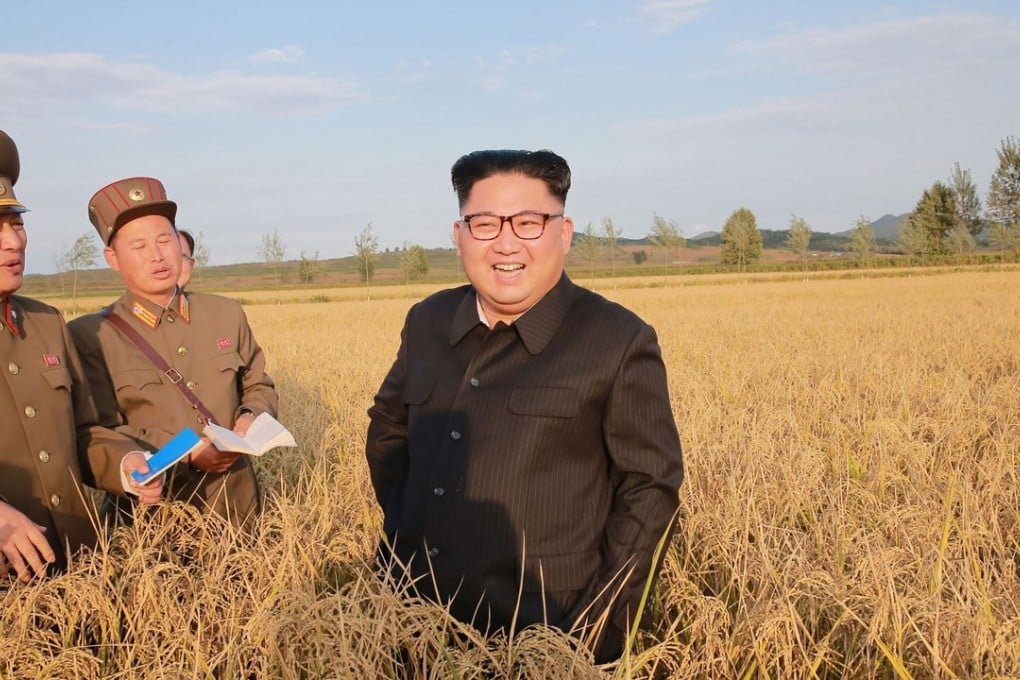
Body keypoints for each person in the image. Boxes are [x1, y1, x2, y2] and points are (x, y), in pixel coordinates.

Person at [366, 149, 684, 662]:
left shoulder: (617, 340)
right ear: (459, 235)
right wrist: (411, 531)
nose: (506, 242)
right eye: (485, 223)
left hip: (544, 635)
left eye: (529, 222)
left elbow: (649, 491)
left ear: (564, 232)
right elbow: (388, 431)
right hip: (413, 622)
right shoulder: (427, 321)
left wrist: (592, 634)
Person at [68, 177, 278, 531]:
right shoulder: (90, 336)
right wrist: (187, 451)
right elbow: (95, 431)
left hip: (237, 511)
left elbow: (259, 385)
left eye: (165, 240)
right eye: (139, 245)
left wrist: (250, 417)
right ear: (112, 258)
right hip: (150, 526)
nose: (157, 255)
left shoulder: (225, 314)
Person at [0, 130, 161, 582]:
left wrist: (125, 463)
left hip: (76, 561)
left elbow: (84, 431)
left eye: (16, 223)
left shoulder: (45, 323)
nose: (13, 242)